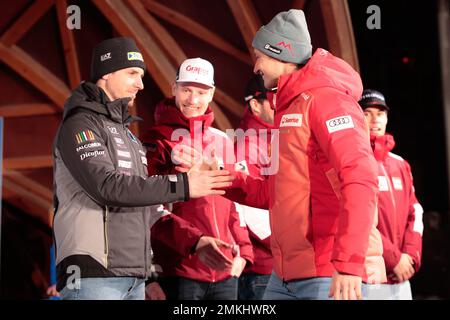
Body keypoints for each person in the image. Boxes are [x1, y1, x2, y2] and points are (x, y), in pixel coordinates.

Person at [219, 9, 387, 300]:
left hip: (327, 272)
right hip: (286, 275)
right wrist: (220, 179)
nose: (255, 66)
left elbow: (360, 178)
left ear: (280, 54)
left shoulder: (327, 99)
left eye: (259, 56)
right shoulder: (289, 107)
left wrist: (347, 264)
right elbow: (280, 193)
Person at [52, 37, 233, 300]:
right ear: (106, 73)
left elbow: (147, 208)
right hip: (92, 274)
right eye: (133, 73)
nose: (141, 83)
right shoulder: (80, 124)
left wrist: (195, 241)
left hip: (133, 277)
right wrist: (183, 184)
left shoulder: (129, 137)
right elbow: (107, 186)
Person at [141, 57, 254, 300]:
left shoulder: (221, 139)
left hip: (225, 271)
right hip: (178, 270)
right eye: (186, 90)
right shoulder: (156, 140)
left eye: (201, 92)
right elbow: (145, 207)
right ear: (174, 88)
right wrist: (149, 275)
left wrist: (244, 251)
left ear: (211, 94)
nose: (193, 100)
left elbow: (234, 201)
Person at [359, 89, 424, 299]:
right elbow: (360, 218)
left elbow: (415, 212)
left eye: (380, 113)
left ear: (387, 117)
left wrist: (410, 256)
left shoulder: (400, 164)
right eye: (367, 113)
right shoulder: (354, 161)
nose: (375, 119)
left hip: (402, 276)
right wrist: (394, 259)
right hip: (368, 277)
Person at [234, 74, 274, 300]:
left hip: (281, 265)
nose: (281, 103)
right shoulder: (248, 145)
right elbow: (247, 208)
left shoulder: (276, 140)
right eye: (273, 98)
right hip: (262, 272)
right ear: (255, 105)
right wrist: (287, 244)